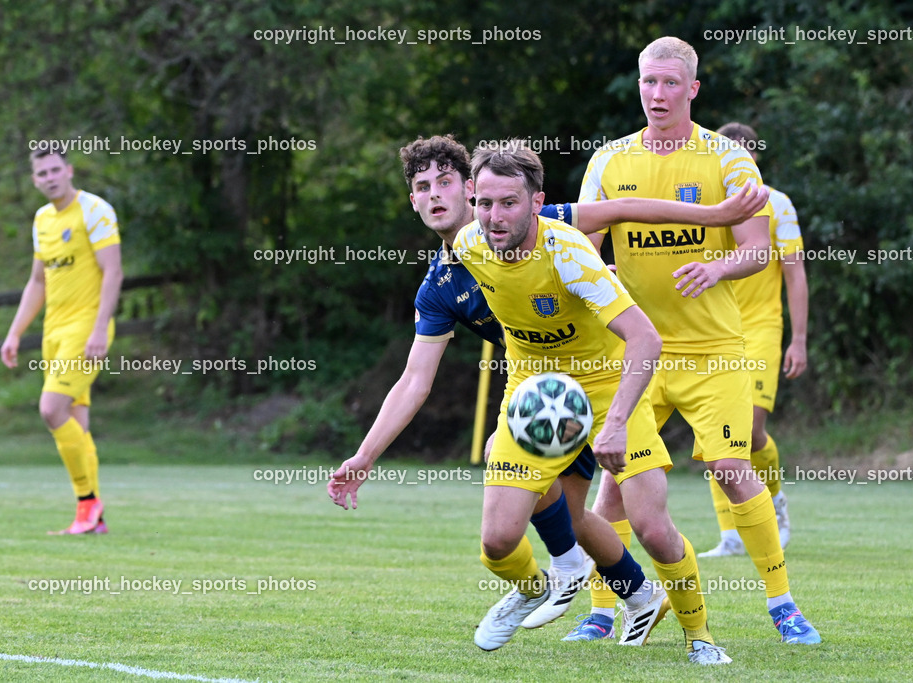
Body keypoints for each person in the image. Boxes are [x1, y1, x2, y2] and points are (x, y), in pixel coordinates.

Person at [328, 134, 767, 643]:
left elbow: (621, 207)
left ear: (470, 189)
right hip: (541, 393)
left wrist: (716, 216)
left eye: (445, 182)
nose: (435, 196)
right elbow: (413, 380)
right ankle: (619, 590)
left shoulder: (542, 225)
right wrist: (363, 456)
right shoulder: (444, 279)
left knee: (622, 517)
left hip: (601, 381)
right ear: (414, 200)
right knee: (555, 514)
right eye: (422, 187)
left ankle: (653, 611)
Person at [443, 140, 731, 663]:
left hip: (606, 389)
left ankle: (701, 637)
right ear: (471, 199)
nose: (494, 215)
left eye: (508, 202)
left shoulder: (569, 254)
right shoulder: (467, 246)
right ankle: (538, 588)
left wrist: (616, 422)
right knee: (498, 543)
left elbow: (646, 339)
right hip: (535, 399)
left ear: (537, 202)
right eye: (484, 203)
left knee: (650, 526)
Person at [574, 37, 820, 645]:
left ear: (692, 89)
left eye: (668, 84)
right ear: (638, 86)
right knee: (614, 485)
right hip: (637, 355)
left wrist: (718, 268)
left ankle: (782, 603)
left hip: (715, 353)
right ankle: (605, 611)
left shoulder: (729, 159)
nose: (656, 95)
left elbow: (758, 248)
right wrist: (601, 281)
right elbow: (585, 247)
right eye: (647, 83)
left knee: (736, 469)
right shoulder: (608, 161)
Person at [1, 144, 123, 535]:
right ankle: (93, 519)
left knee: (51, 410)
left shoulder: (95, 210)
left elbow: (113, 272)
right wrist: (15, 332)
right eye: (42, 173)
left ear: (69, 170)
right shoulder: (41, 219)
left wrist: (100, 328)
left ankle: (88, 501)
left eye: (56, 169)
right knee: (77, 424)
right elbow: (38, 281)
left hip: (86, 329)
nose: (50, 177)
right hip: (55, 332)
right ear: (35, 179)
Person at [699, 122, 808, 557]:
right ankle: (729, 534)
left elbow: (795, 273)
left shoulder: (776, 204)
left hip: (761, 328)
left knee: (751, 427)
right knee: (715, 435)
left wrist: (798, 339)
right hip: (713, 327)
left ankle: (775, 501)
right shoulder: (702, 199)